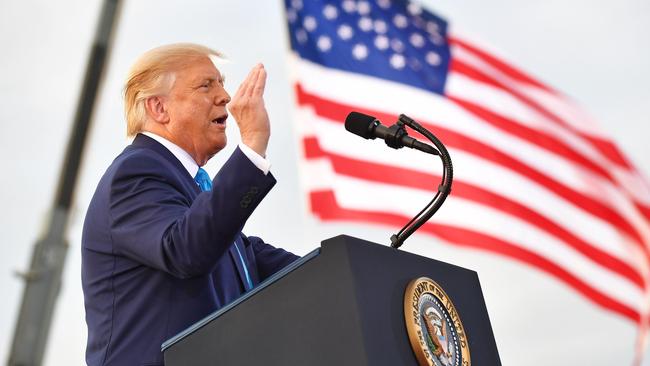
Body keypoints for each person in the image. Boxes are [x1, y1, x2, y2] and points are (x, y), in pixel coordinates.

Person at [81, 43, 298, 366]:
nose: (224, 96)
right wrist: (251, 148)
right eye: (206, 85)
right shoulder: (135, 172)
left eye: (222, 83)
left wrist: (365, 268)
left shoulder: (194, 193)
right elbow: (185, 249)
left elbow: (256, 258)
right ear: (159, 108)